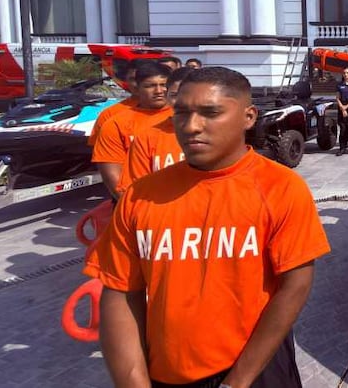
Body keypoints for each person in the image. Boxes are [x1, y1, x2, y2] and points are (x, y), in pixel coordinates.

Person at [85, 67, 330, 388]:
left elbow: (295, 286)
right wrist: (133, 380)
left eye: (210, 113)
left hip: (255, 370)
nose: (191, 126)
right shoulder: (141, 196)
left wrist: (238, 381)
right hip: (166, 372)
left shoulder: (280, 188)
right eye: (181, 113)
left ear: (249, 117)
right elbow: (120, 293)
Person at [92, 62, 174, 199]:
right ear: (137, 88)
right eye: (150, 86)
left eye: (164, 85)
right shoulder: (115, 124)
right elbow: (113, 177)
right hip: (137, 202)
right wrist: (132, 207)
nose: (159, 91)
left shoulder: (185, 118)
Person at [118, 67, 195, 193]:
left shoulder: (220, 136)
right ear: (167, 96)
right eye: (175, 95)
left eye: (189, 94)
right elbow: (135, 191)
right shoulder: (146, 138)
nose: (182, 101)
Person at [89, 60, 143, 148]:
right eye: (132, 79)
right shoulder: (109, 115)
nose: (136, 84)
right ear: (126, 81)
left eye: (141, 78)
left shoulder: (170, 112)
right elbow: (98, 151)